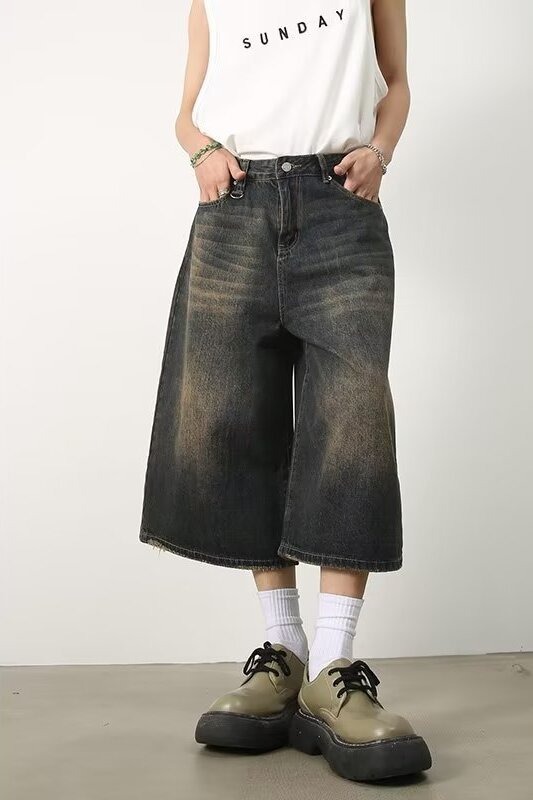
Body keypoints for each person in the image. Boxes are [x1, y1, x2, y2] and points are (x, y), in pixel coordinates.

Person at [139, 0, 432, 783]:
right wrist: (202, 149)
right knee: (238, 421)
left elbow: (396, 81)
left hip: (342, 204)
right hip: (234, 208)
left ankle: (334, 668)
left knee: (352, 420)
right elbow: (187, 111)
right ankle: (284, 650)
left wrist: (379, 150)